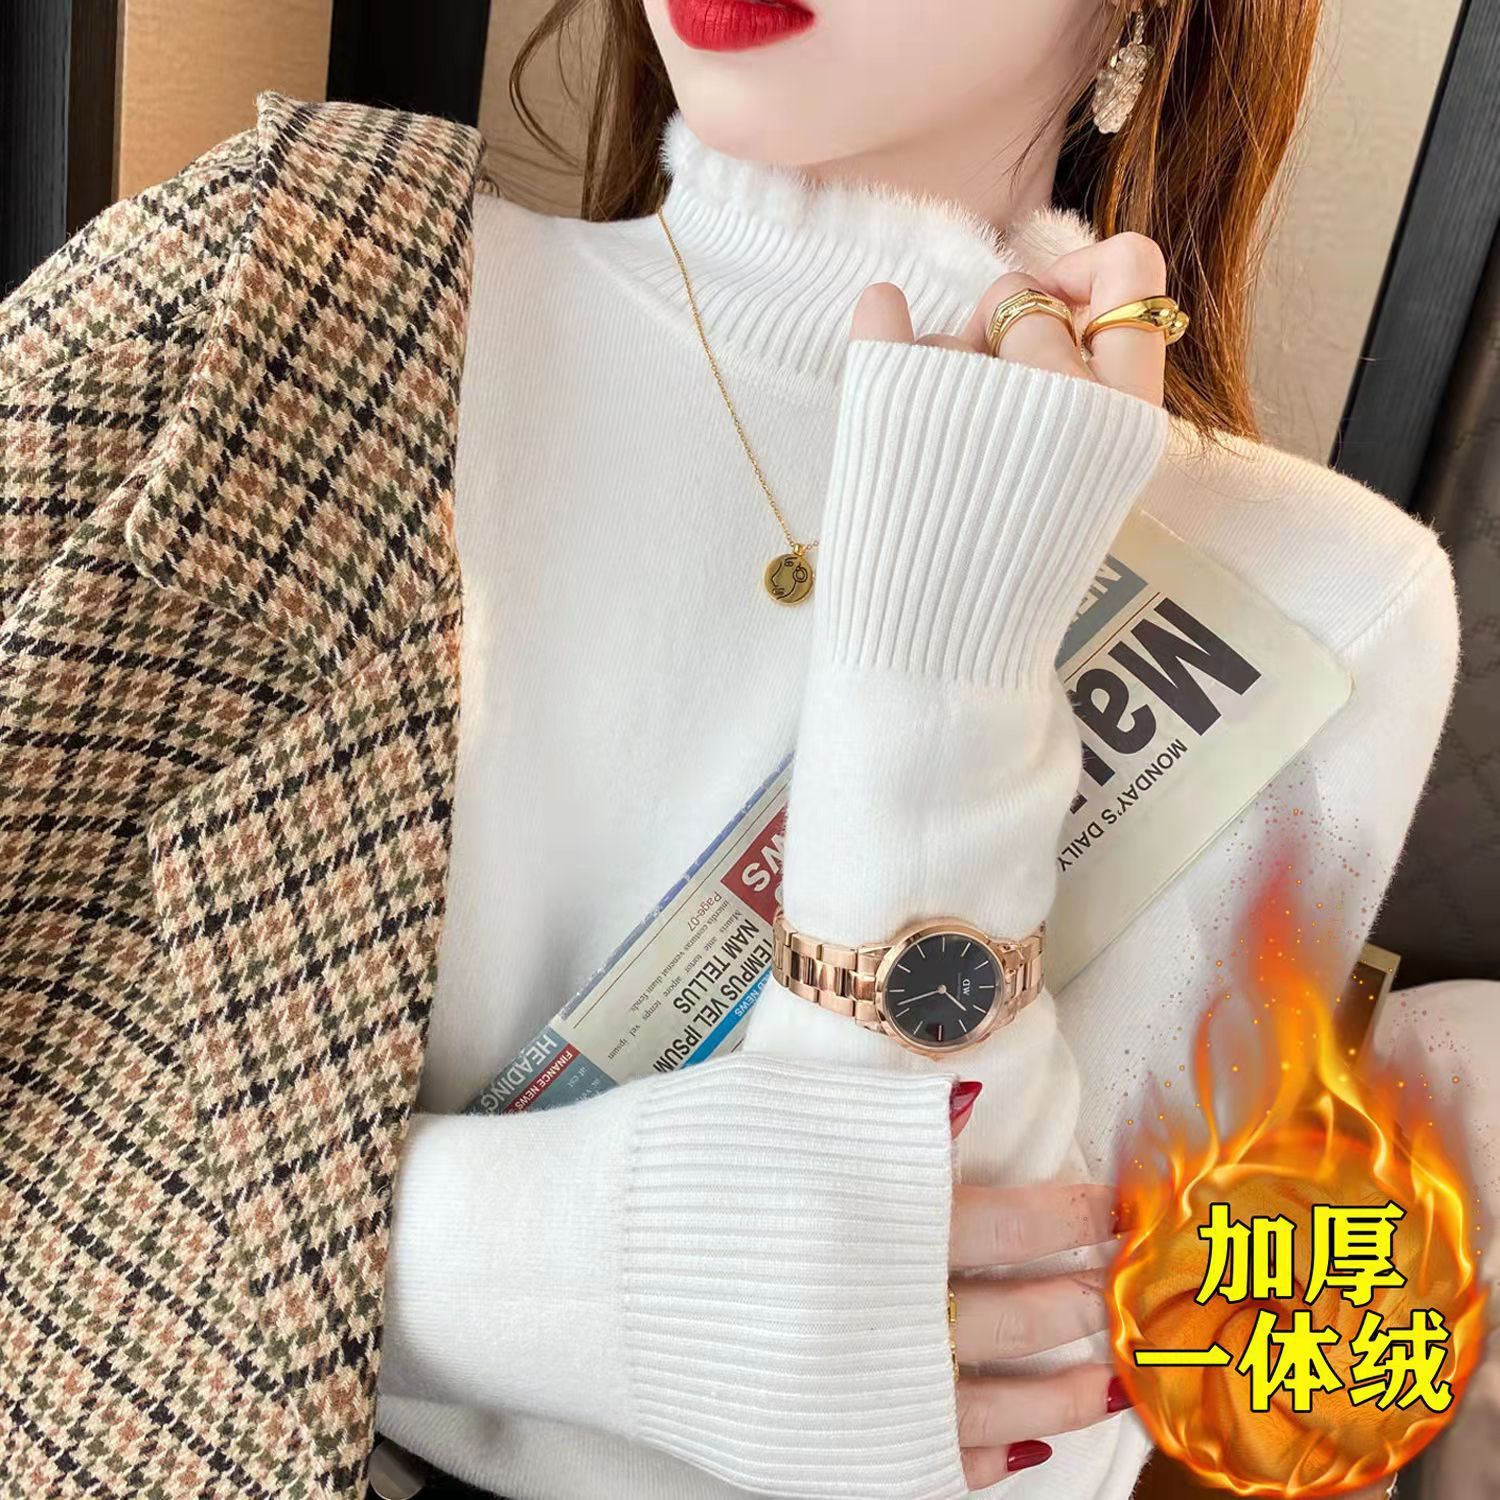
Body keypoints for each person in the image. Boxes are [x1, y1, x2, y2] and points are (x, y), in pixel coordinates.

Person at [0, 1, 1460, 1498]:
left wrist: (943, 676)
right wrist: (566, 1268)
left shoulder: (1326, 600)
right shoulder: (283, 282)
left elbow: (997, 1433)